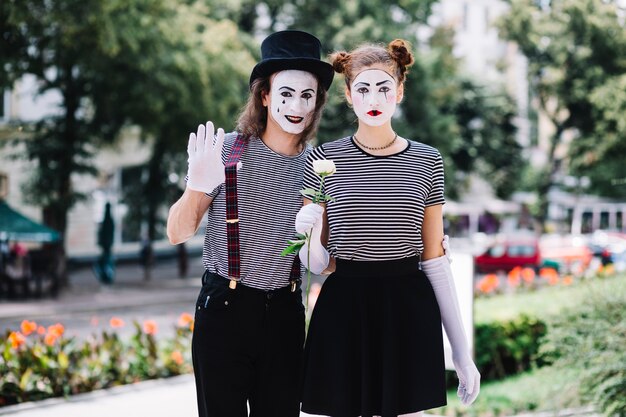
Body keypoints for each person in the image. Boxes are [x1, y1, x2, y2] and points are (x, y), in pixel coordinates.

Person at [295, 40, 481, 417]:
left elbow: (434, 259)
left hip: (408, 309)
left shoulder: (428, 160)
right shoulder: (322, 158)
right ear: (348, 95)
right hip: (344, 310)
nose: (373, 98)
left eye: (383, 87)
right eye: (362, 89)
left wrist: (462, 354)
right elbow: (317, 263)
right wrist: (308, 234)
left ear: (399, 91)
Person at [166, 30, 334, 417]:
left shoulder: (321, 168)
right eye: (286, 93)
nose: (296, 105)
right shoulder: (226, 151)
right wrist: (196, 186)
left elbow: (325, 260)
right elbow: (177, 232)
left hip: (285, 315)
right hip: (225, 309)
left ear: (316, 104)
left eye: (307, 96)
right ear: (265, 96)